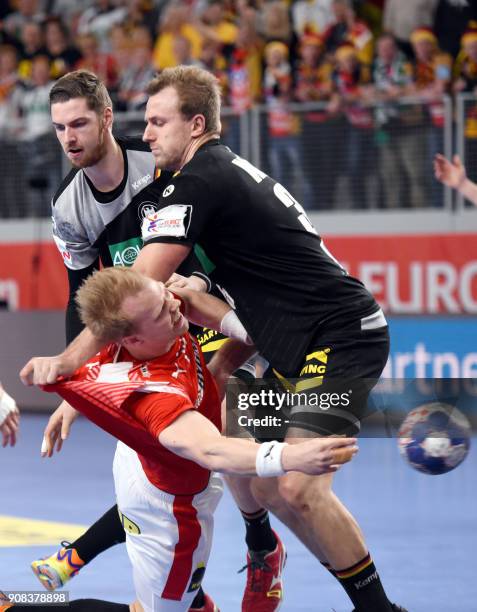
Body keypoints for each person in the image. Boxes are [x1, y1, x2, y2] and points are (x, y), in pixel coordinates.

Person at [22, 65, 407, 612]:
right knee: (256, 469)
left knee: (293, 485)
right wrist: (220, 363)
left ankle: (378, 608)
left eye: (158, 122)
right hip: (273, 340)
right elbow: (101, 289)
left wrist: (68, 365)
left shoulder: (196, 179)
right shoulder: (176, 180)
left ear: (196, 123)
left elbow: (140, 285)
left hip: (338, 336)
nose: (147, 133)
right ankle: (261, 551)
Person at [29, 69, 283, 612]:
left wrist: (235, 315)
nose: (69, 137)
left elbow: (221, 234)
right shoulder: (68, 207)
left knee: (218, 430)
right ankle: (82, 571)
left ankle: (261, 545)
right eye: (58, 129)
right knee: (154, 466)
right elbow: (84, 299)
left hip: (203, 309)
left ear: (106, 119)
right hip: (152, 336)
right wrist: (77, 387)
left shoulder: (161, 164)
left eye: (78, 123)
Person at [18, 266, 359, 612]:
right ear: (133, 340)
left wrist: (260, 325)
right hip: (170, 508)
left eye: (164, 294)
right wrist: (292, 458)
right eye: (161, 310)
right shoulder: (157, 399)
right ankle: (14, 606)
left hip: (140, 458)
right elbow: (213, 451)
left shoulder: (155, 316)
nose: (173, 305)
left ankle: (191, 597)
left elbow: (196, 313)